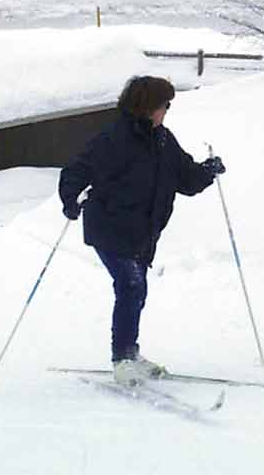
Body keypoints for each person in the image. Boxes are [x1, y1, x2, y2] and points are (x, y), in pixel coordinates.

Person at [58, 76, 226, 386]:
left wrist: (206, 171)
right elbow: (76, 171)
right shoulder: (113, 140)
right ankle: (122, 359)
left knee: (137, 290)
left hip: (142, 232)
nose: (167, 110)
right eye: (165, 105)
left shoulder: (163, 140)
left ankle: (130, 353)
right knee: (131, 285)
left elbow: (185, 178)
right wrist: (71, 200)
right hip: (109, 226)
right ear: (147, 107)